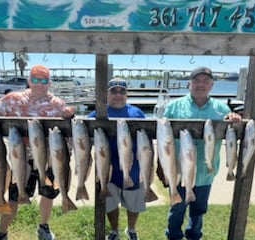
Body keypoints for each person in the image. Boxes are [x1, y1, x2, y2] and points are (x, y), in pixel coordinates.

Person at [0, 64, 74, 240]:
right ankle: (2, 233)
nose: (39, 83)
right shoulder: (14, 99)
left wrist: (64, 154)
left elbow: (67, 134)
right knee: (14, 198)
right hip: (21, 158)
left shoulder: (58, 104)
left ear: (49, 83)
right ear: (29, 80)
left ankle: (43, 226)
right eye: (35, 79)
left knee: (48, 194)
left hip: (48, 159)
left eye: (43, 80)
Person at [159, 67, 242, 240]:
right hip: (179, 172)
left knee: (198, 210)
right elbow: (161, 137)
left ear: (212, 85)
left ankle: (194, 236)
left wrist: (234, 118)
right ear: (189, 83)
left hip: (206, 172)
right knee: (177, 209)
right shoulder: (174, 106)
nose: (201, 84)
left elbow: (233, 130)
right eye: (197, 80)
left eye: (205, 81)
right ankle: (173, 235)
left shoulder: (221, 108)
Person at [88, 77, 146, 240]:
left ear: (127, 94)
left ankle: (131, 229)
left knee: (133, 203)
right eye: (114, 91)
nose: (118, 95)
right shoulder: (97, 113)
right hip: (107, 167)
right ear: (107, 94)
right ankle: (114, 230)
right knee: (110, 202)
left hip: (133, 167)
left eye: (122, 91)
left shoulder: (137, 113)